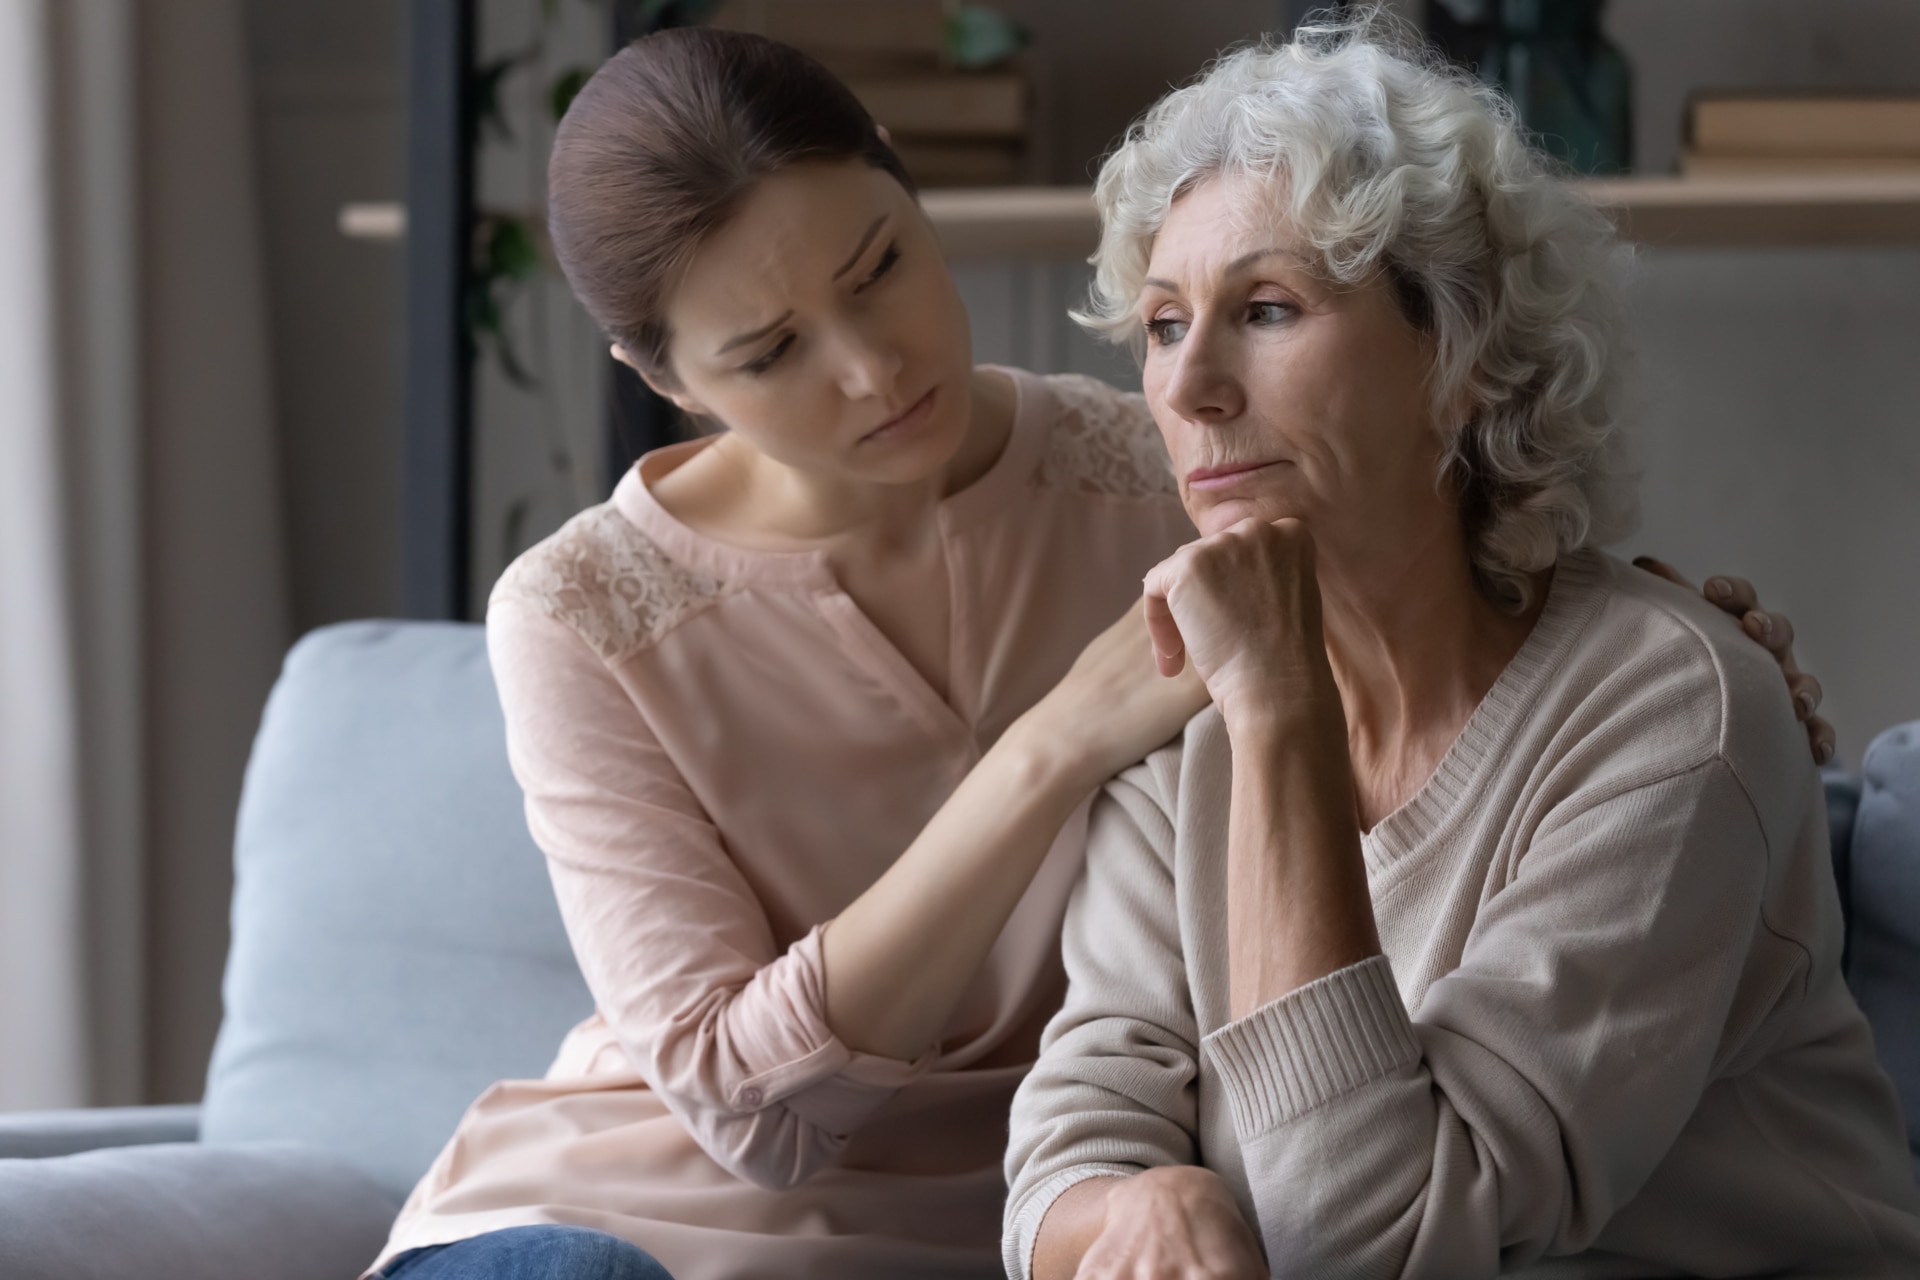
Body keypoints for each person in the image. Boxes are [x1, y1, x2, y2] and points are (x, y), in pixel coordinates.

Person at [368, 26, 1835, 1280]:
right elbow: (750, 1115)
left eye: (878, 267)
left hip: (1059, 1233)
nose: (873, 369)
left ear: (898, 170)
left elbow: (1441, 498)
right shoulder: (577, 613)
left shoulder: (1161, 460)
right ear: (661, 379)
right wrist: (1058, 741)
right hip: (665, 1213)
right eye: (768, 354)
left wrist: (1666, 632)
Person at [1005, 18, 1920, 1280]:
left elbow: (1366, 1239)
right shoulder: (1181, 735)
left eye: (1266, 308)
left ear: (1463, 360)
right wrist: (1132, 1211)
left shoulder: (1668, 713)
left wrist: (1283, 708)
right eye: (1164, 324)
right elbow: (1068, 1143)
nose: (1191, 385)